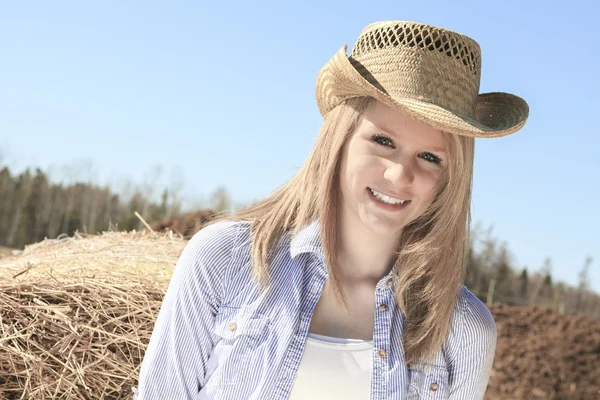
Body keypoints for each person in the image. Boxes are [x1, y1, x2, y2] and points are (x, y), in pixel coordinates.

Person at [133, 20, 528, 399]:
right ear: (338, 142)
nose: (399, 174)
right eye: (382, 141)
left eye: (429, 156)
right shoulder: (225, 260)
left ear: (451, 178)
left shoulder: (464, 331)